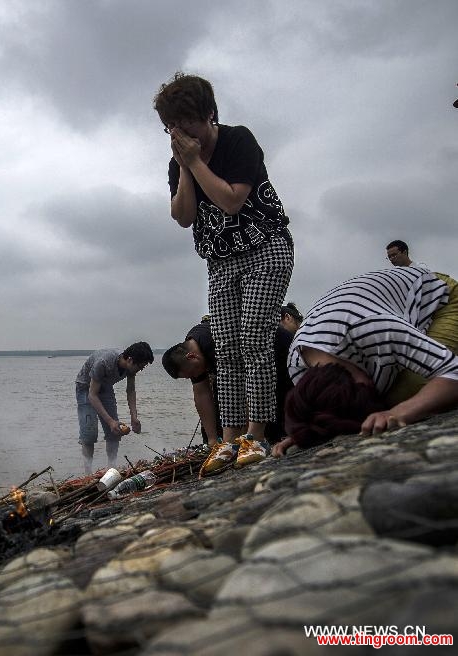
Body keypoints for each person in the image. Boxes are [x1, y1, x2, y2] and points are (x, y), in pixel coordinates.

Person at [153, 72, 294, 474]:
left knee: (254, 338)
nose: (181, 134)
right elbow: (182, 217)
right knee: (227, 349)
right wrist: (184, 167)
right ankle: (229, 439)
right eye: (171, 129)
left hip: (266, 248)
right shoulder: (179, 162)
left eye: (188, 125)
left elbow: (232, 201)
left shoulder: (238, 141)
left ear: (209, 115)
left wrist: (196, 161)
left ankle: (257, 434)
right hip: (220, 261)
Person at [275, 266, 458, 456]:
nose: (370, 388)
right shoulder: (297, 365)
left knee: (407, 396)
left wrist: (397, 412)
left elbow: (453, 372)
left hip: (438, 297)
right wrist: (308, 430)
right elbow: (325, 411)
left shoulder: (371, 328)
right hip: (374, 314)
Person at [162, 316, 293, 467]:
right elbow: (201, 392)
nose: (194, 377)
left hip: (278, 351)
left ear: (191, 357)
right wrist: (212, 440)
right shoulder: (190, 348)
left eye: (192, 374)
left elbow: (245, 388)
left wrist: (244, 435)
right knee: (224, 418)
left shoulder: (216, 344)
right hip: (249, 365)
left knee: (278, 416)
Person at [75, 342, 154, 474]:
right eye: (140, 367)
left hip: (105, 387)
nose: (140, 370)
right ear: (130, 360)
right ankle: (87, 473)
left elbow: (131, 391)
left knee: (114, 431)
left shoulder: (130, 367)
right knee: (89, 434)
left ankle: (111, 468)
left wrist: (134, 417)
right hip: (85, 388)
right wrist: (110, 421)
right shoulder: (103, 363)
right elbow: (92, 395)